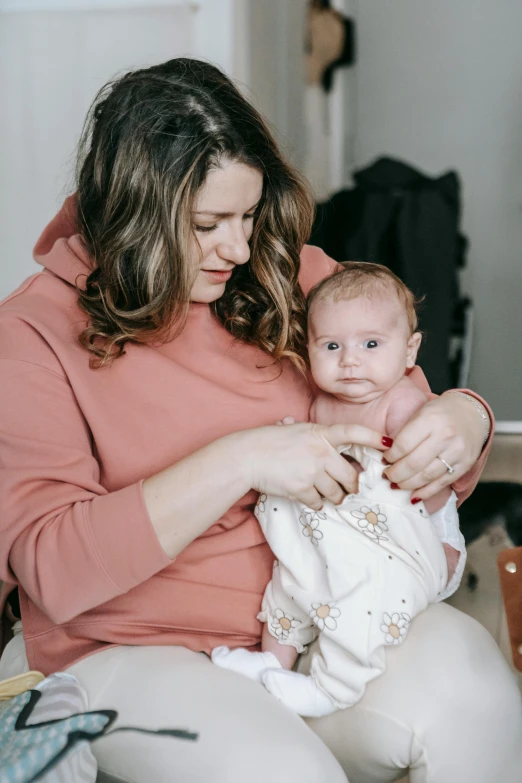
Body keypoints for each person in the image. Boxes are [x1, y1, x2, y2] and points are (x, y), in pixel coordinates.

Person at [0, 58, 520, 783]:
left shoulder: (287, 274)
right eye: (208, 224)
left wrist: (465, 419)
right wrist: (244, 457)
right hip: (133, 652)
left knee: (482, 700)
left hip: (326, 617)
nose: (239, 248)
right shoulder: (32, 333)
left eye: (247, 215)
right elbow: (51, 568)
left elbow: (414, 422)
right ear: (131, 212)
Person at [212, 263, 466, 718]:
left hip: (407, 543)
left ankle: (334, 688)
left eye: (370, 344)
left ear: (410, 352)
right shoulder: (322, 400)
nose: (350, 359)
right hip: (343, 531)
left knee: (359, 597)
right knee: (292, 576)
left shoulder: (401, 402)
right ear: (309, 350)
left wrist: (442, 545)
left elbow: (425, 485)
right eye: (331, 346)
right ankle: (274, 661)